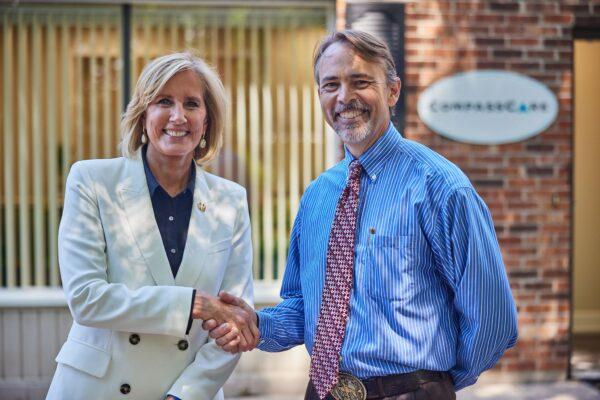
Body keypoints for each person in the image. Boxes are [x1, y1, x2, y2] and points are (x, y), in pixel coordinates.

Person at [205, 30, 518, 400]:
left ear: (393, 91)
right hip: (323, 392)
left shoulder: (441, 188)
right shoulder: (318, 195)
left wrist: (435, 384)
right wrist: (255, 323)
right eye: (330, 85)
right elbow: (303, 308)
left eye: (360, 82)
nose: (344, 97)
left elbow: (493, 320)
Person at [47, 52, 258, 400]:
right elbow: (86, 299)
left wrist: (184, 395)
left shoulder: (231, 200)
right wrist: (193, 305)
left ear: (206, 122)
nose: (178, 116)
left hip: (187, 392)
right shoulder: (91, 181)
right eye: (164, 101)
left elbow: (232, 323)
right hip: (96, 389)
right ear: (144, 114)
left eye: (192, 103)